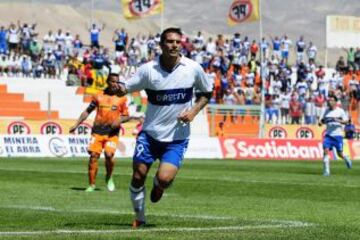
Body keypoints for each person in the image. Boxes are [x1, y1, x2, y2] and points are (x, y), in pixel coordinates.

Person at [115, 27, 213, 228]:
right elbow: (126, 87)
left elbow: (207, 93)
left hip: (177, 138)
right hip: (150, 135)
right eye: (169, 41)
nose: (174, 45)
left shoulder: (193, 68)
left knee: (165, 179)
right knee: (138, 175)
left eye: (177, 41)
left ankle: (159, 187)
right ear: (161, 45)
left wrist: (194, 111)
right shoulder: (148, 70)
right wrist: (118, 88)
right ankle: (140, 218)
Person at [69, 66, 132, 192]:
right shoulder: (98, 96)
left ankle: (109, 177)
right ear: (107, 82)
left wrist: (119, 120)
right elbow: (87, 112)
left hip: (112, 133)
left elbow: (127, 116)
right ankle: (91, 185)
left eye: (117, 82)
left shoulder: (122, 98)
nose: (115, 84)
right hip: (97, 132)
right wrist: (76, 125)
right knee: (93, 156)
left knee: (109, 155)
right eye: (113, 81)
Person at [318, 94, 352, 176]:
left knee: (339, 153)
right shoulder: (326, 111)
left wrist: (337, 120)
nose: (329, 101)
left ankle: (346, 158)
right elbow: (321, 122)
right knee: (325, 151)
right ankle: (326, 171)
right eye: (329, 100)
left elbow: (347, 121)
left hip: (338, 135)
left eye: (332, 100)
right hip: (328, 135)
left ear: (336, 102)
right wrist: (320, 122)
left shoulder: (340, 111)